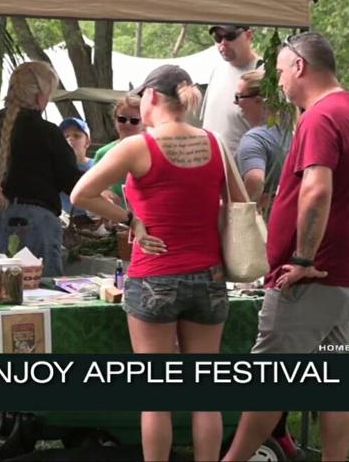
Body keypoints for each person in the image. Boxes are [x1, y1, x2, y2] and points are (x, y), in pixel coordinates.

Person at [71, 65, 246, 462]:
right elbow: (238, 202)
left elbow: (82, 193)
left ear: (151, 97)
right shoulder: (216, 144)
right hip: (209, 274)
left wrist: (131, 218)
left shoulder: (138, 147)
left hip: (154, 276)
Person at [224, 32, 349, 461]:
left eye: (280, 71)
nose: (280, 82)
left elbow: (316, 190)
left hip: (316, 276)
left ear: (300, 67)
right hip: (346, 272)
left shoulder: (321, 115)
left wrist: (303, 259)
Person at [0, 61, 81, 276]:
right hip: (34, 225)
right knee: (41, 296)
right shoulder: (48, 133)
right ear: (41, 97)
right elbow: (72, 183)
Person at [199, 24, 261, 154]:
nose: (223, 42)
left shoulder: (265, 73)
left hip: (247, 169)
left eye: (230, 36)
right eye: (218, 37)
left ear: (248, 35)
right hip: (212, 164)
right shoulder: (217, 70)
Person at [233, 69, 290, 210]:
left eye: (238, 97)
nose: (235, 103)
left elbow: (255, 179)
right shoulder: (289, 132)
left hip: (263, 225)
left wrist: (248, 206)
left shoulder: (254, 139)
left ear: (258, 100)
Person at [92, 94, 142, 207]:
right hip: (119, 217)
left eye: (134, 121)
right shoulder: (103, 153)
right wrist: (104, 193)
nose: (127, 123)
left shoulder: (153, 151)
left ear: (144, 122)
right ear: (115, 121)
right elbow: (94, 189)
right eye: (122, 119)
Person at [58, 117, 94, 217]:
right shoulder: (55, 169)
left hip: (95, 221)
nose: (70, 139)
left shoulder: (97, 166)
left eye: (77, 136)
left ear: (87, 142)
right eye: (65, 136)